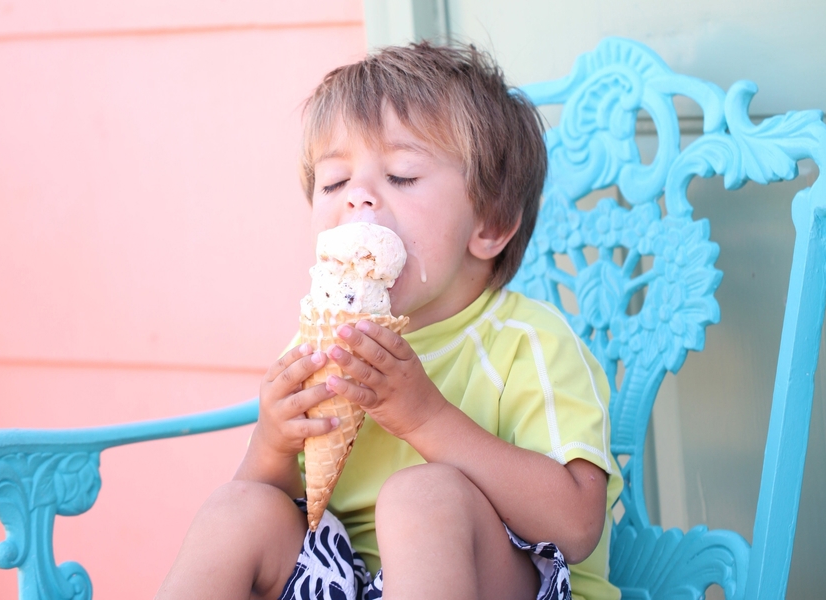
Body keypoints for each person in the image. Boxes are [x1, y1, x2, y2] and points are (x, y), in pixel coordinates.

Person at [156, 42, 623, 600]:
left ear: (491, 223)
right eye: (333, 183)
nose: (358, 198)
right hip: (346, 581)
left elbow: (575, 527)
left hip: (503, 583)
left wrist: (425, 419)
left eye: (401, 176)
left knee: (421, 496)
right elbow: (283, 517)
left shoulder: (529, 343)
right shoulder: (319, 343)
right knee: (237, 508)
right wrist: (273, 445)